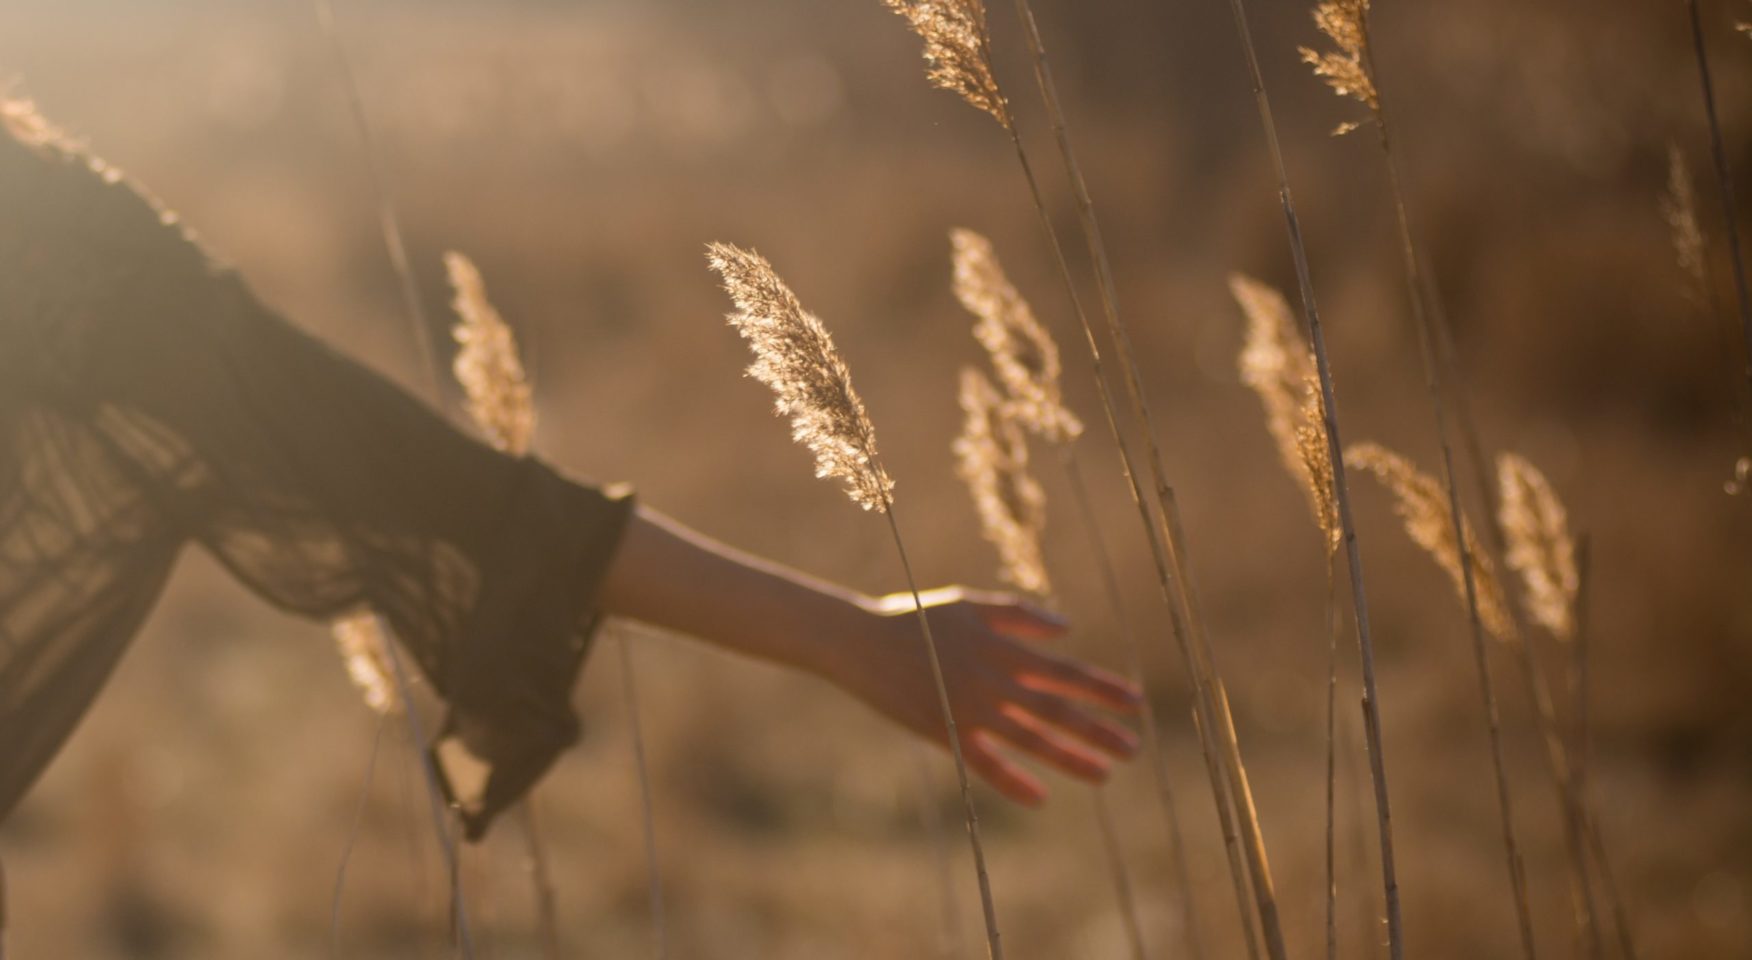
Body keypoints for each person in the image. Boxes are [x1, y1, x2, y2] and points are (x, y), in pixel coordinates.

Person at [0, 99, 1139, 846]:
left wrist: (847, 634)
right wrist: (845, 634)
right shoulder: (55, 235)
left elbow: (422, 480)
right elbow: (440, 488)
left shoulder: (53, 236)